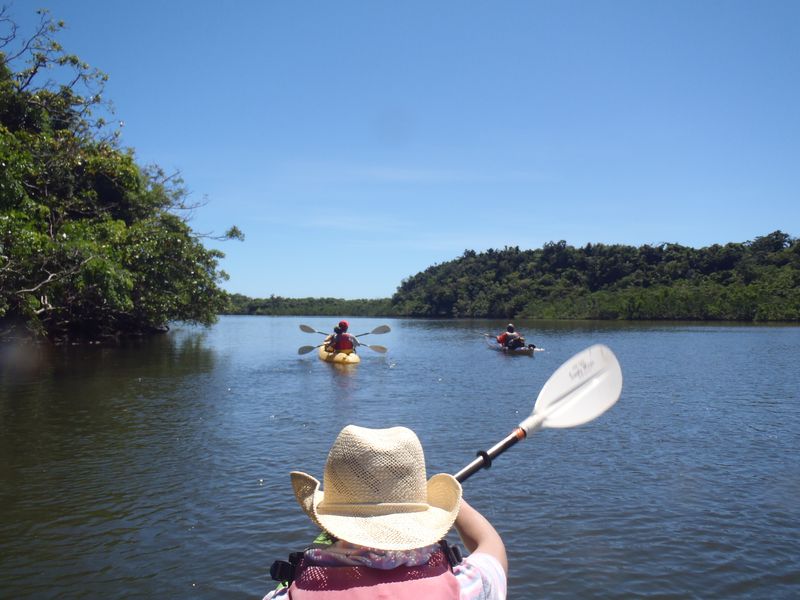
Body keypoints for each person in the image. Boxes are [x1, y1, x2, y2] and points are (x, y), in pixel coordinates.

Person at [263, 425, 508, 600]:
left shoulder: (284, 597)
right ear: (422, 517)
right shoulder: (466, 587)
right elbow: (491, 547)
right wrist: (453, 504)